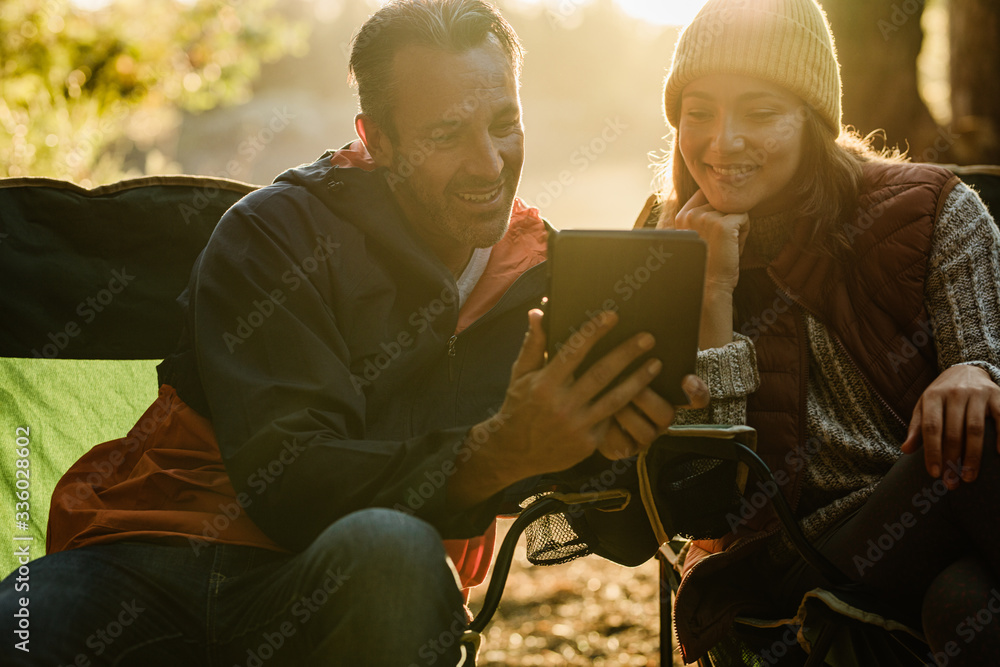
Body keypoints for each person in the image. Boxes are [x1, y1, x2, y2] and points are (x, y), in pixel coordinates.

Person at [0, 1, 708, 665]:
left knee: (392, 551)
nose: (488, 163)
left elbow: (621, 530)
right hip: (155, 557)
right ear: (378, 140)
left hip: (355, 585)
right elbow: (293, 484)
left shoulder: (548, 280)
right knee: (22, 623)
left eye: (503, 123)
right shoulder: (275, 235)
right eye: (445, 135)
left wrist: (638, 437)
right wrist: (495, 453)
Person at [639, 0, 1000, 663]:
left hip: (934, 535)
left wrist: (975, 369)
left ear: (813, 120)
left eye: (760, 112)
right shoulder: (660, 251)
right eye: (699, 112)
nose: (723, 142)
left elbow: (986, 365)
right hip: (783, 562)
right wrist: (711, 290)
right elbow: (705, 507)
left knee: (967, 602)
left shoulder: (933, 213)